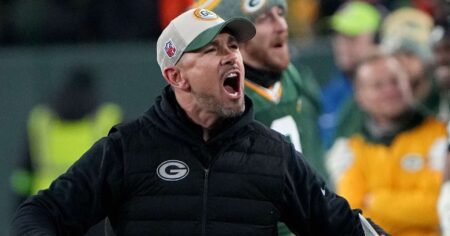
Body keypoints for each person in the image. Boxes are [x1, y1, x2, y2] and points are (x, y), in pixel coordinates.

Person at [11, 8, 382, 235]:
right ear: (177, 77)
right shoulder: (128, 148)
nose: (231, 58)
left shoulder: (273, 154)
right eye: (211, 50)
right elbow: (41, 212)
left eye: (233, 46)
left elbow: (342, 225)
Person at [327, 53, 447, 236]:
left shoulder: (441, 135)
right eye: (378, 85)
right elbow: (351, 214)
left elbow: (438, 207)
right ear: (360, 96)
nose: (390, 90)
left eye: (395, 81)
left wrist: (376, 201)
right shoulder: (351, 149)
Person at [9, 66, 122, 235]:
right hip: (93, 207)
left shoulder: (40, 119)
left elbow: (23, 172)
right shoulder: (108, 116)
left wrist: (18, 204)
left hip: (47, 206)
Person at [319, 1, 381, 148]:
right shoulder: (326, 95)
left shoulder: (390, 92)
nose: (342, 45)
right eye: (338, 36)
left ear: (376, 41)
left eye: (352, 37)